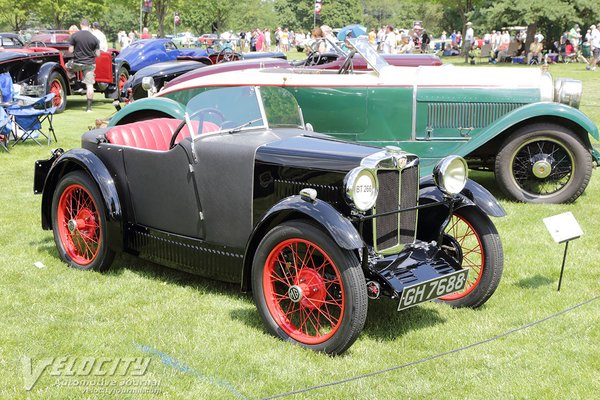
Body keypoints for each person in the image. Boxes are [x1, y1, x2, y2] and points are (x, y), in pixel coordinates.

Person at [68, 19, 100, 112]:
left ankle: (76, 84)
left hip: (77, 63)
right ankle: (89, 108)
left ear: (81, 25)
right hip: (89, 64)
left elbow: (70, 50)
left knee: (66, 67)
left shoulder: (74, 36)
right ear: (89, 25)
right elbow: (98, 54)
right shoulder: (94, 38)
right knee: (90, 85)